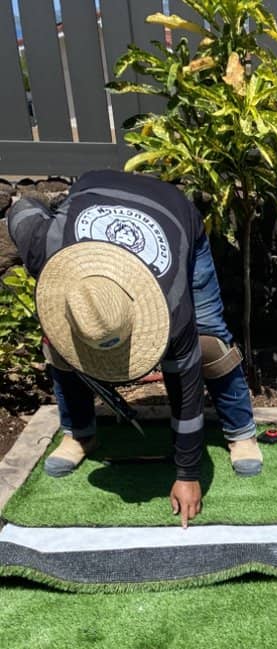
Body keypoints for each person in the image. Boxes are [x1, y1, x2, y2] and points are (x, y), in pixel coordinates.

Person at [7, 169, 263, 528]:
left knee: (209, 342)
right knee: (61, 347)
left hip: (174, 212)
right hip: (93, 191)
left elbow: (186, 384)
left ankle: (241, 432)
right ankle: (80, 433)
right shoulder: (42, 247)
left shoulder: (172, 302)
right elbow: (21, 210)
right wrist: (65, 213)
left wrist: (188, 472)